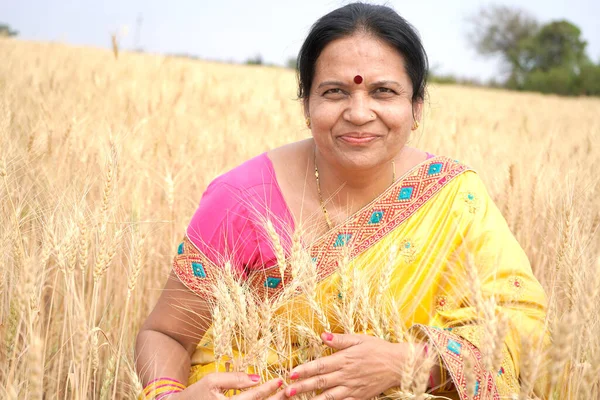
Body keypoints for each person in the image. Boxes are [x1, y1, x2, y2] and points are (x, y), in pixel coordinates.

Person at [135, 3, 549, 399]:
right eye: (334, 92)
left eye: (383, 92)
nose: (358, 112)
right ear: (306, 104)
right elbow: (166, 333)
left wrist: (410, 364)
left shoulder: (453, 196)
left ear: (416, 107)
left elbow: (520, 327)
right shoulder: (241, 198)